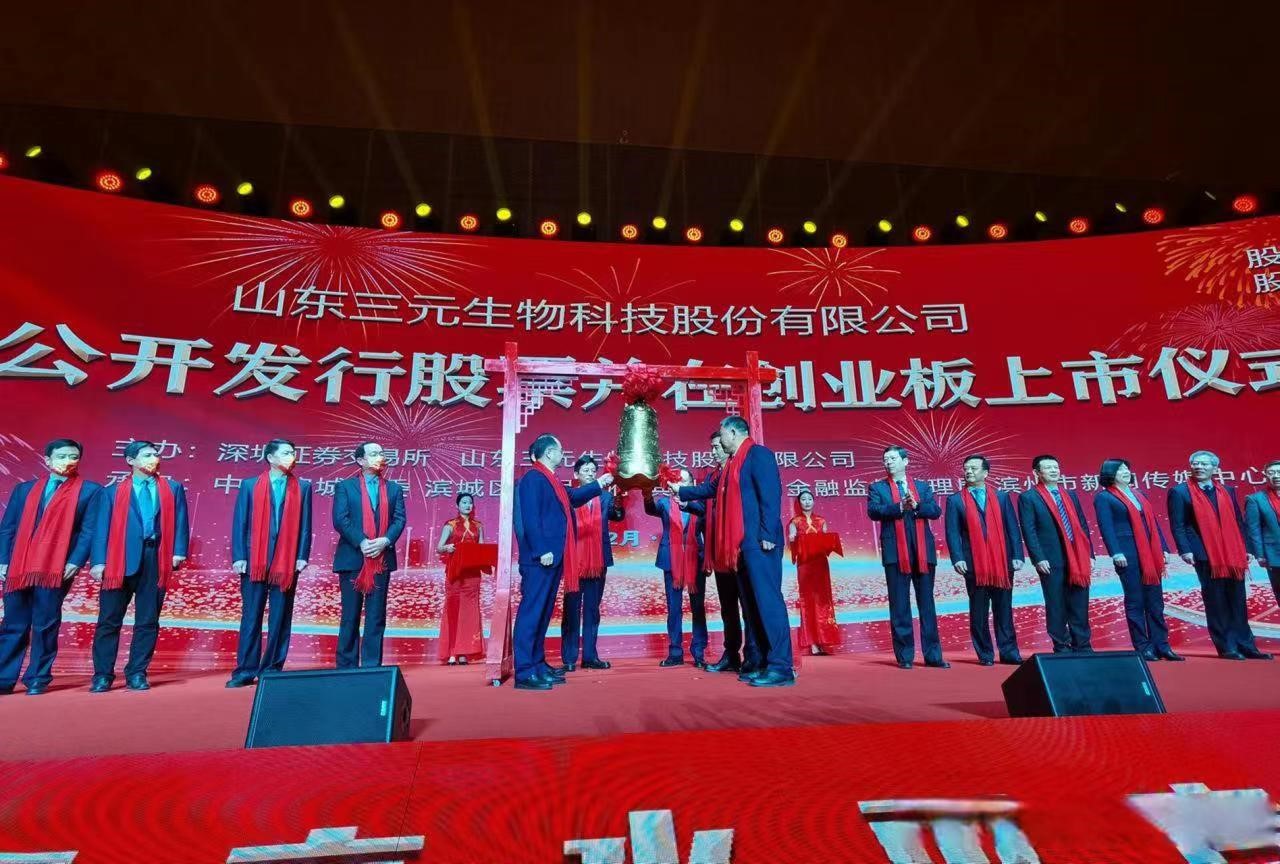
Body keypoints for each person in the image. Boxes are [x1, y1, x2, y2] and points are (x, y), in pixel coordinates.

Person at [673, 416, 793, 687]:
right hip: (742, 546)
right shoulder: (730, 466)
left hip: (760, 543)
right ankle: (764, 662)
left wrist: (767, 534)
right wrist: (679, 489)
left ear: (733, 432)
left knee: (768, 603)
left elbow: (771, 495)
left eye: (722, 434)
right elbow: (710, 489)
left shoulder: (758, 455)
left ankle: (781, 666)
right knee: (752, 607)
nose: (719, 440)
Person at [0, 439, 104, 696]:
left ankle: (38, 678)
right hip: (18, 566)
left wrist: (75, 561)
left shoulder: (90, 491)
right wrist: (3, 560)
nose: (68, 461)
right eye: (62, 456)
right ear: (47, 460)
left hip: (57, 567)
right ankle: (4, 678)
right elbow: (8, 528)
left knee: (45, 623)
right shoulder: (24, 489)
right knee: (13, 623)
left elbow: (89, 531)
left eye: (73, 457)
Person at [89, 440, 191, 692]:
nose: (154, 459)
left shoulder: (172, 488)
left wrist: (178, 552)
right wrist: (99, 561)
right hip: (119, 559)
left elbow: (181, 521)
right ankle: (102, 675)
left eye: (155, 454)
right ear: (130, 460)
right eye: (146, 455)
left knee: (148, 620)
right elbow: (101, 528)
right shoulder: (111, 492)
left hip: (155, 557)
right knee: (109, 620)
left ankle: (137, 672)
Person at [512, 434, 612, 690]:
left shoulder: (551, 480)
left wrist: (599, 483)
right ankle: (524, 671)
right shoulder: (534, 478)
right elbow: (530, 518)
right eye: (559, 450)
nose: (563, 453)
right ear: (548, 453)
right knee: (532, 613)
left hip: (553, 557)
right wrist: (541, 549)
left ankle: (537, 664)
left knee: (543, 613)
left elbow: (573, 497)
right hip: (540, 557)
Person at [227, 439, 314, 687]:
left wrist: (302, 555)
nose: (292, 457)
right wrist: (239, 556)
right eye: (286, 453)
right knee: (251, 617)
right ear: (271, 457)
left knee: (280, 618)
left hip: (286, 561)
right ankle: (245, 671)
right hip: (254, 560)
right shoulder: (250, 485)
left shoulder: (303, 487)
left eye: (293, 453)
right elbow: (240, 523)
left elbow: (305, 525)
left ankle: (273, 668)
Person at [1168, 450, 1270, 661]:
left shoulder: (1227, 490)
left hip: (1232, 553)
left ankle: (1246, 645)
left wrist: (1246, 548)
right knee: (1216, 601)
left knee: (1237, 600)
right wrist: (1185, 549)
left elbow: (1238, 521)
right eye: (1195, 463)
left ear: (1215, 468)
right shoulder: (1180, 492)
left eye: (1204, 464)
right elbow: (1178, 525)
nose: (1199, 467)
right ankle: (1227, 646)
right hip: (1204, 553)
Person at [868, 446, 948, 670]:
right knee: (900, 605)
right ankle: (905, 656)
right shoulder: (877, 487)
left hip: (923, 553)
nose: (888, 462)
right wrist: (899, 507)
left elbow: (935, 511)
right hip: (895, 554)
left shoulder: (921, 486)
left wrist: (917, 505)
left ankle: (933, 656)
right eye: (885, 459)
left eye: (893, 458)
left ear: (905, 461)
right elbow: (874, 511)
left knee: (927, 605)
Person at [1093, 459, 1181, 661]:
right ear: (1110, 474)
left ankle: (1162, 645)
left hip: (1150, 552)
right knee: (1136, 601)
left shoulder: (1139, 493)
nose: (1126, 472)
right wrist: (1115, 552)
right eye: (1120, 470)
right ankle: (1143, 646)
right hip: (1127, 553)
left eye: (1127, 469)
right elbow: (1106, 527)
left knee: (1155, 602)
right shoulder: (1104, 497)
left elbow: (1153, 524)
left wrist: (1164, 547)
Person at [943, 455, 1023, 667]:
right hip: (973, 563)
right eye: (966, 468)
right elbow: (952, 532)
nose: (968, 471)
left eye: (974, 468)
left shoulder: (1002, 497)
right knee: (978, 611)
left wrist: (1017, 554)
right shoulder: (955, 500)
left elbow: (1012, 528)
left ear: (985, 473)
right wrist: (957, 558)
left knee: (1004, 609)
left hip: (1002, 562)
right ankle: (985, 653)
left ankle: (1009, 652)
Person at [333, 442, 407, 669]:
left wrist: (385, 541)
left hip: (381, 558)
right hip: (353, 558)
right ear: (360, 460)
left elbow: (399, 520)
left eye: (381, 453)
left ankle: (371, 667)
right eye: (374, 453)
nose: (380, 456)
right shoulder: (345, 487)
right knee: (350, 615)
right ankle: (346, 667)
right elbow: (341, 519)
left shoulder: (394, 489)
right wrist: (363, 542)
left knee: (376, 616)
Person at [699, 430, 761, 675]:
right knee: (727, 607)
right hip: (720, 551)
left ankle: (753, 655)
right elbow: (705, 509)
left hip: (740, 550)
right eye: (712, 447)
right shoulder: (714, 477)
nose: (714, 451)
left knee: (748, 606)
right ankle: (731, 654)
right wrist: (683, 498)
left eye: (718, 446)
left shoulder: (741, 471)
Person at [1018, 454, 1095, 654]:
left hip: (1078, 557)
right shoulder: (1029, 497)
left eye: (1056, 467)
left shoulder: (1070, 495)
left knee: (1079, 603)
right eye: (1048, 468)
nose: (1054, 471)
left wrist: (1090, 554)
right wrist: (1038, 558)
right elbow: (1029, 530)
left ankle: (1082, 645)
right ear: (1036, 472)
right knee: (1056, 603)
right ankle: (1061, 645)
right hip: (1050, 558)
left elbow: (1082, 526)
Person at [559, 455, 623, 672]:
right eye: (585, 470)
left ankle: (590, 656)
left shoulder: (605, 496)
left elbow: (617, 515)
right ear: (576, 474)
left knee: (592, 610)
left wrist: (619, 499)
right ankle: (569, 658)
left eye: (593, 470)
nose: (589, 473)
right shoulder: (570, 496)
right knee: (571, 609)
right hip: (574, 560)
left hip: (598, 560)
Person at [644, 469, 708, 668]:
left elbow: (708, 529)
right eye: (676, 480)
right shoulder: (664, 502)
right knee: (674, 608)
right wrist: (646, 492)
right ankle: (675, 652)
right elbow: (649, 508)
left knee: (697, 608)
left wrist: (708, 558)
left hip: (695, 558)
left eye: (684, 481)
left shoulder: (700, 504)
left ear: (691, 484)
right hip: (671, 559)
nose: (679, 484)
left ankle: (699, 652)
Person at [787, 490, 840, 656]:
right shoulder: (795, 522)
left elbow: (825, 540)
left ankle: (824, 639)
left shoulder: (821, 520)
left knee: (823, 600)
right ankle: (813, 642)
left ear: (814, 501)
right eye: (803, 499)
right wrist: (793, 538)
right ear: (799, 503)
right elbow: (791, 540)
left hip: (820, 564)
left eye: (810, 499)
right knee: (808, 601)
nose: (807, 501)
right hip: (805, 565)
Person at [437, 492, 486, 665]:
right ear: (457, 506)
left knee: (469, 614)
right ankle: (452, 651)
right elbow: (439, 547)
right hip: (455, 574)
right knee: (453, 611)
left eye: (470, 503)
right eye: (464, 502)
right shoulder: (450, 525)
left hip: (472, 575)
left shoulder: (478, 526)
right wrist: (447, 547)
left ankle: (464, 651)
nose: (467, 505)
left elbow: (482, 548)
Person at [1244, 459, 1280, 610]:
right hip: (1275, 554)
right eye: (1271, 473)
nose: (1276, 476)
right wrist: (1259, 554)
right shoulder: (1255, 499)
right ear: (1265, 475)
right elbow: (1253, 529)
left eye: (1279, 472)